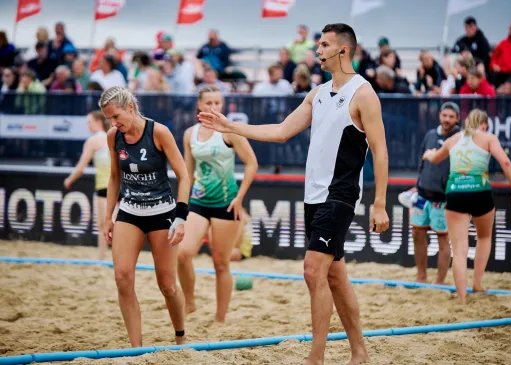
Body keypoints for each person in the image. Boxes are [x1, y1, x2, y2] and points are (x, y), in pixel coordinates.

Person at [198, 23, 390, 365]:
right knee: (334, 275)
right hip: (313, 196)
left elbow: (381, 150)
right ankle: (360, 352)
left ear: (343, 50)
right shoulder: (317, 94)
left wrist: (379, 204)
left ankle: (315, 358)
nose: (317, 50)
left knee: (312, 271)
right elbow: (281, 131)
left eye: (324, 45)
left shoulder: (364, 94)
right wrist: (230, 126)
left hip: (340, 194)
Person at [99, 86, 191, 347]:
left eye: (116, 116)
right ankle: (136, 348)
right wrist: (109, 216)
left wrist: (181, 217)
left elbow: (184, 176)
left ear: (130, 107)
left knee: (167, 285)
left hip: (162, 212)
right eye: (109, 119)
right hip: (129, 212)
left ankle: (180, 336)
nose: (114, 123)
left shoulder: (158, 132)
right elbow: (115, 176)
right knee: (122, 277)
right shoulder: (113, 137)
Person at [422, 109, 511, 305]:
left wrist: (428, 154)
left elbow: (435, 158)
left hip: (456, 192)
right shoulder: (487, 138)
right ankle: (476, 283)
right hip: (480, 192)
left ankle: (461, 297)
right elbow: (505, 162)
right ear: (484, 125)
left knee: (459, 250)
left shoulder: (453, 140)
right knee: (484, 237)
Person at [177, 85, 257, 322]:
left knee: (221, 263)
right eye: (209, 103)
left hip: (226, 202)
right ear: (199, 106)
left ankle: (220, 319)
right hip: (199, 202)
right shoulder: (189, 134)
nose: (214, 107)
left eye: (218, 103)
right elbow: (187, 174)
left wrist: (240, 197)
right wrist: (182, 205)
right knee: (182, 254)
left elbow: (252, 163)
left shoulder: (229, 132)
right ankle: (189, 302)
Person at [409, 102, 459, 284]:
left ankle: (440, 281)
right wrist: (417, 184)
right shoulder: (430, 134)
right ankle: (421, 276)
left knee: (443, 238)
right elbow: (422, 161)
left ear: (457, 119)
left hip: (443, 198)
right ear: (439, 115)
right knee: (417, 233)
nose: (447, 119)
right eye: (444, 115)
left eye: (451, 116)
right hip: (423, 194)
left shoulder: (459, 137)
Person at [64, 111, 116, 260]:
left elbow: (81, 168)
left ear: (97, 122)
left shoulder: (93, 141)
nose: (87, 125)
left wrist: (69, 180)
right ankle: (118, 258)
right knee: (118, 226)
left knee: (103, 226)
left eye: (89, 122)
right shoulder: (113, 137)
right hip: (120, 187)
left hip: (104, 188)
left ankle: (101, 257)